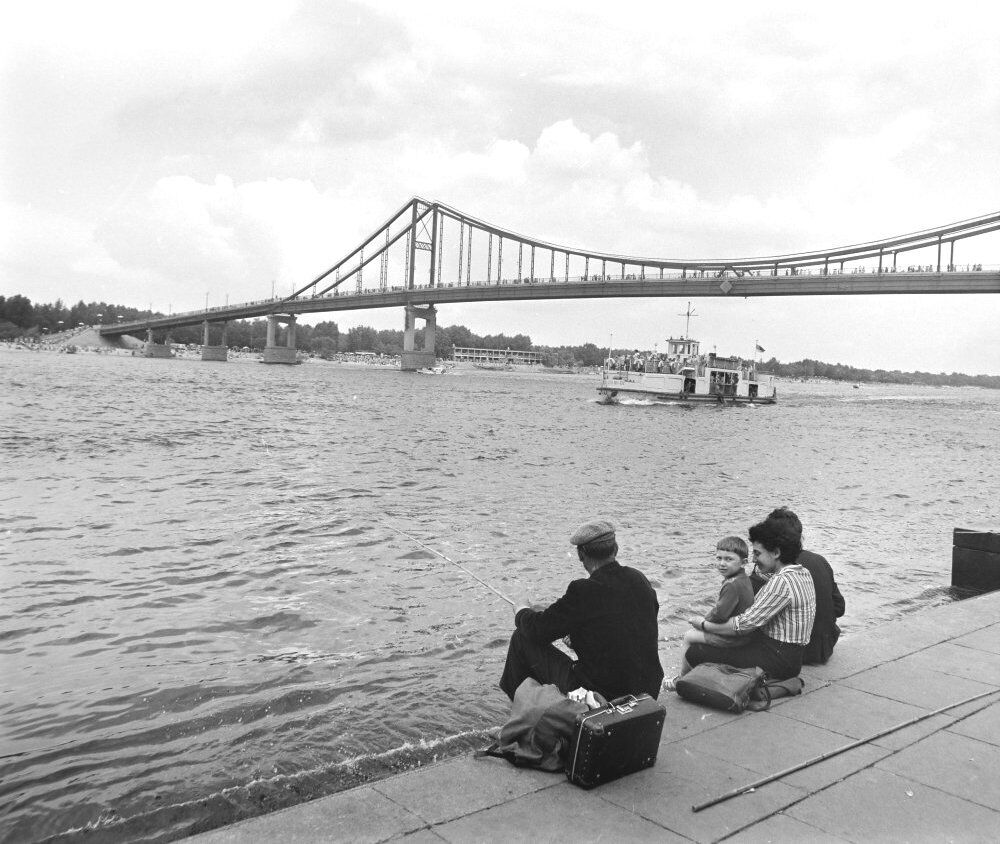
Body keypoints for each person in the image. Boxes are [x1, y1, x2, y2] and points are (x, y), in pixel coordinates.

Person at [499, 520, 664, 701]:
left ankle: (521, 711)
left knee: (521, 638)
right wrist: (580, 639)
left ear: (581, 555)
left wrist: (521, 610)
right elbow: (630, 629)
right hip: (648, 691)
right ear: (615, 549)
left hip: (606, 695)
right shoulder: (638, 579)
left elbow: (536, 630)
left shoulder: (583, 590)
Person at [676, 517, 816, 682]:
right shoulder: (802, 572)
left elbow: (743, 625)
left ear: (776, 553)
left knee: (695, 652)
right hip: (790, 656)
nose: (754, 560)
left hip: (777, 660)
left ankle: (685, 682)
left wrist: (704, 625)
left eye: (757, 553)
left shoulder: (782, 582)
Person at [750, 507, 845, 665]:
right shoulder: (820, 560)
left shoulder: (771, 571)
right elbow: (839, 608)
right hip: (824, 647)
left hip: (793, 652)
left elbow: (750, 617)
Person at [664, 536, 754, 690]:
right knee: (695, 631)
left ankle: (682, 678)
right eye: (719, 558)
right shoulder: (742, 578)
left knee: (689, 636)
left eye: (729, 559)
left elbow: (720, 615)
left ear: (744, 562)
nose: (722, 563)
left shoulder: (732, 585)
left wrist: (703, 621)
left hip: (733, 639)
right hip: (742, 634)